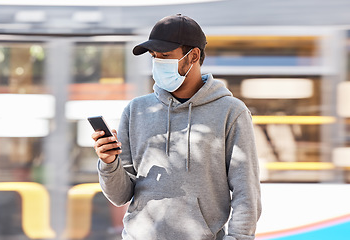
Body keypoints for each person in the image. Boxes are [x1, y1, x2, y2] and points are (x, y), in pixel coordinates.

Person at [92, 14, 262, 240]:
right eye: (154, 56)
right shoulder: (136, 110)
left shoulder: (231, 112)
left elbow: (246, 193)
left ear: (193, 56)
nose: (157, 62)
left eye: (165, 56)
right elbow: (120, 196)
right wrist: (109, 163)